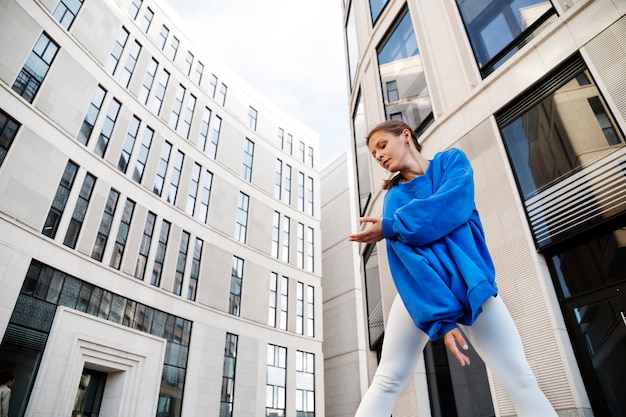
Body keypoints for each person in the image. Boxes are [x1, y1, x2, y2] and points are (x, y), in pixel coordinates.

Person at [348, 120, 557, 416]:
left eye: (382, 145)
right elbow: (411, 263)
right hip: (422, 291)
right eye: (373, 154)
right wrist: (442, 320)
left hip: (470, 283)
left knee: (520, 378)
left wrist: (394, 226)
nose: (379, 156)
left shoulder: (450, 162)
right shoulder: (394, 198)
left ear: (405, 135)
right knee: (387, 380)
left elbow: (452, 207)